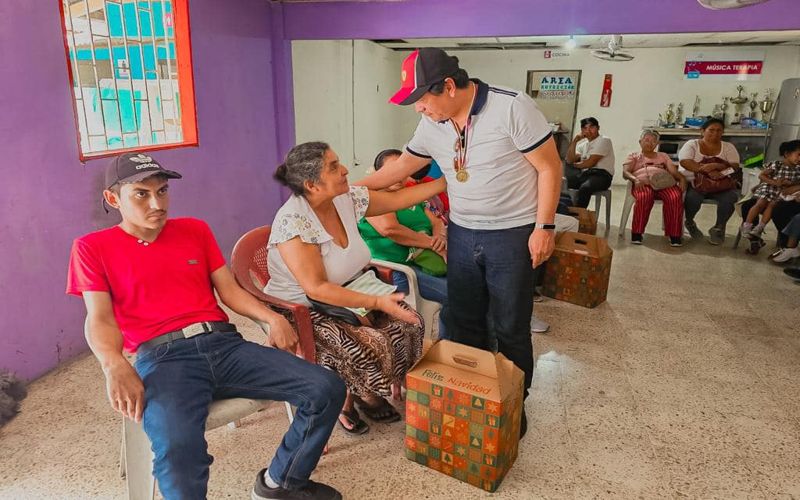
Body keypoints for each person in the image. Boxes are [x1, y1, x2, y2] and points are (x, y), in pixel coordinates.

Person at [66, 153, 345, 500]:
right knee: (178, 447)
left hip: (224, 346)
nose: (157, 203)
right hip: (164, 358)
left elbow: (228, 290)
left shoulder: (194, 230)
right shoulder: (92, 248)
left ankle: (282, 482)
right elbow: (100, 317)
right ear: (113, 199)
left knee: (326, 388)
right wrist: (113, 363)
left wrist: (271, 317)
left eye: (163, 191)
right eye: (141, 194)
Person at [358, 48, 563, 438]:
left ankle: (514, 405)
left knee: (510, 326)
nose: (418, 110)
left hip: (512, 232)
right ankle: (475, 400)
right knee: (467, 323)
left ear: (448, 86)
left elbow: (549, 166)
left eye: (421, 100)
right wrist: (340, 190)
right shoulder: (432, 123)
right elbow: (400, 167)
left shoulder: (512, 107)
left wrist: (545, 226)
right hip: (464, 232)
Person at [266, 142, 446, 436]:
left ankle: (367, 390)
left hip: (347, 287)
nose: (345, 170)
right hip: (301, 306)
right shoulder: (294, 223)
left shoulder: (343, 199)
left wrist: (446, 181)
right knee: (364, 343)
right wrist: (375, 301)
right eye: (334, 167)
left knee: (409, 323)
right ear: (312, 185)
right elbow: (317, 289)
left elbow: (399, 199)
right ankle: (349, 401)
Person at [358, 149, 450, 339]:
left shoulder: (409, 193)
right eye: (392, 170)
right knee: (457, 296)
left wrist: (439, 237)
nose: (398, 176)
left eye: (402, 169)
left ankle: (454, 349)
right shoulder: (370, 197)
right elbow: (391, 230)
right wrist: (433, 244)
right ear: (379, 174)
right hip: (398, 271)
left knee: (472, 288)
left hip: (426, 263)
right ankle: (448, 351)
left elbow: (436, 221)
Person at [678, 118, 741, 245]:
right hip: (696, 183)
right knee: (692, 199)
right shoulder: (692, 144)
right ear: (702, 131)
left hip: (721, 185)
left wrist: (718, 170)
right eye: (711, 130)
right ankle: (689, 222)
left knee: (730, 198)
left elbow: (734, 166)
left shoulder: (728, 147)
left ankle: (718, 228)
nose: (715, 133)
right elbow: (685, 161)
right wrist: (705, 170)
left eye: (719, 131)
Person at [622, 129, 687, 246]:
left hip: (663, 184)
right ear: (640, 141)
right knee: (644, 196)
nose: (649, 143)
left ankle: (674, 235)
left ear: (657, 144)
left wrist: (682, 178)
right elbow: (625, 172)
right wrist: (635, 179)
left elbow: (673, 171)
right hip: (643, 184)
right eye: (646, 140)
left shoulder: (663, 156)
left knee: (675, 196)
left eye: (653, 141)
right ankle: (637, 233)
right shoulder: (634, 156)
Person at [741, 140, 800, 240]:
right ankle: (747, 225)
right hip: (769, 188)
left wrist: (790, 184)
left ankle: (760, 228)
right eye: (798, 155)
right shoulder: (777, 164)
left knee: (772, 206)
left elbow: (797, 183)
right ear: (787, 154)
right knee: (760, 204)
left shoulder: (798, 170)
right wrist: (774, 182)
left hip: (780, 193)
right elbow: (762, 175)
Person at [565, 117, 616, 209]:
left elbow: (590, 163)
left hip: (602, 176)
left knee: (585, 188)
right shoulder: (584, 145)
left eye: (592, 127)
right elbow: (569, 159)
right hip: (586, 174)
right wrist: (575, 140)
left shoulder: (604, 140)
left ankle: (579, 215)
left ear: (598, 128)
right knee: (565, 183)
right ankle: (567, 210)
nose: (588, 130)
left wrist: (574, 165)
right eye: (585, 128)